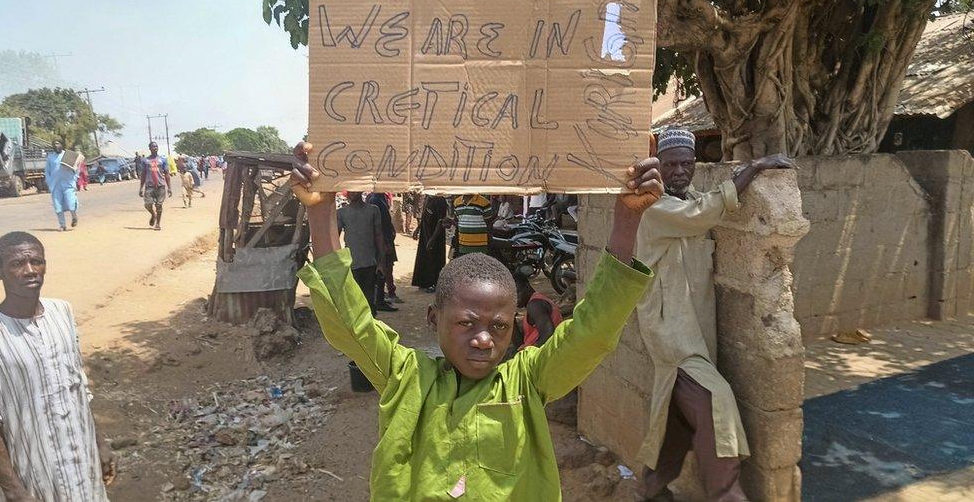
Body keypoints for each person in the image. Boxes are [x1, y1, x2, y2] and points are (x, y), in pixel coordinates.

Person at [289, 141, 662, 500]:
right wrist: (320, 214)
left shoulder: (527, 382)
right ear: (434, 318)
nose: (484, 339)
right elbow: (350, 323)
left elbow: (591, 332)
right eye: (467, 323)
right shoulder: (404, 377)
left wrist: (627, 221)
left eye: (498, 326)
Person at [634, 128, 796, 502]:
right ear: (658, 166)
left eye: (686, 164)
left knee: (676, 416)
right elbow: (701, 212)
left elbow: (699, 205)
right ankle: (726, 493)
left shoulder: (688, 198)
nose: (679, 171)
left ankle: (653, 485)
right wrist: (753, 168)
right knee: (714, 399)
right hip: (670, 334)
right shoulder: (654, 207)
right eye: (671, 164)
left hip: (695, 333)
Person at [0, 232, 115, 500]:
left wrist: (100, 444)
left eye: (36, 261)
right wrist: (13, 489)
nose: (30, 271)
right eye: (17, 264)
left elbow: (78, 387)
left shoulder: (62, 312)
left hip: (82, 463)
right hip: (34, 476)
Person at [336, 191, 387, 316]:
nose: (353, 193)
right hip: (351, 263)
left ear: (361, 191)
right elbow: (334, 236)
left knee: (369, 299)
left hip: (370, 262)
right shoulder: (342, 213)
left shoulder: (373, 210)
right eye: (350, 191)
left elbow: (379, 235)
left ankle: (370, 326)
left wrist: (382, 261)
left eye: (355, 190)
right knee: (353, 299)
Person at [366, 192, 401, 310]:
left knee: (385, 267)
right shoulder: (375, 200)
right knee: (384, 267)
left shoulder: (379, 199)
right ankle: (380, 299)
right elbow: (378, 225)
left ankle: (382, 296)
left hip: (385, 239)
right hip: (382, 241)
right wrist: (385, 242)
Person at [514, 270, 563, 349]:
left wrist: (530, 354)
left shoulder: (535, 305)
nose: (515, 299)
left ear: (527, 286)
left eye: (517, 293)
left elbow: (548, 334)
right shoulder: (533, 302)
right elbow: (521, 344)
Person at [411, 194, 448, 293]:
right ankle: (424, 282)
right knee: (423, 257)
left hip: (436, 235)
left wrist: (433, 239)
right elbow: (424, 216)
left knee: (435, 259)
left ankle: (435, 283)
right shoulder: (428, 198)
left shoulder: (440, 201)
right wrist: (418, 229)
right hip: (425, 233)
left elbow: (441, 221)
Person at [44, 140, 79, 231]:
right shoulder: (50, 158)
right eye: (54, 144)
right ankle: (62, 225)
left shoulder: (68, 155)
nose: (56, 145)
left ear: (61, 144)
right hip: (55, 185)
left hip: (68, 183)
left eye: (58, 143)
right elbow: (47, 172)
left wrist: (74, 179)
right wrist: (49, 183)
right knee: (57, 206)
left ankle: (74, 217)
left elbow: (76, 168)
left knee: (71, 202)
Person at [139, 141, 172, 231]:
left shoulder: (163, 160)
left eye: (156, 146)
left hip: (160, 186)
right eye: (153, 147)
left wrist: (169, 188)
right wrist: (141, 188)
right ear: (150, 148)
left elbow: (167, 174)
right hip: (149, 186)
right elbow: (143, 175)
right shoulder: (145, 160)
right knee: (148, 204)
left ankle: (158, 224)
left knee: (159, 205)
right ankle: (153, 214)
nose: (155, 148)